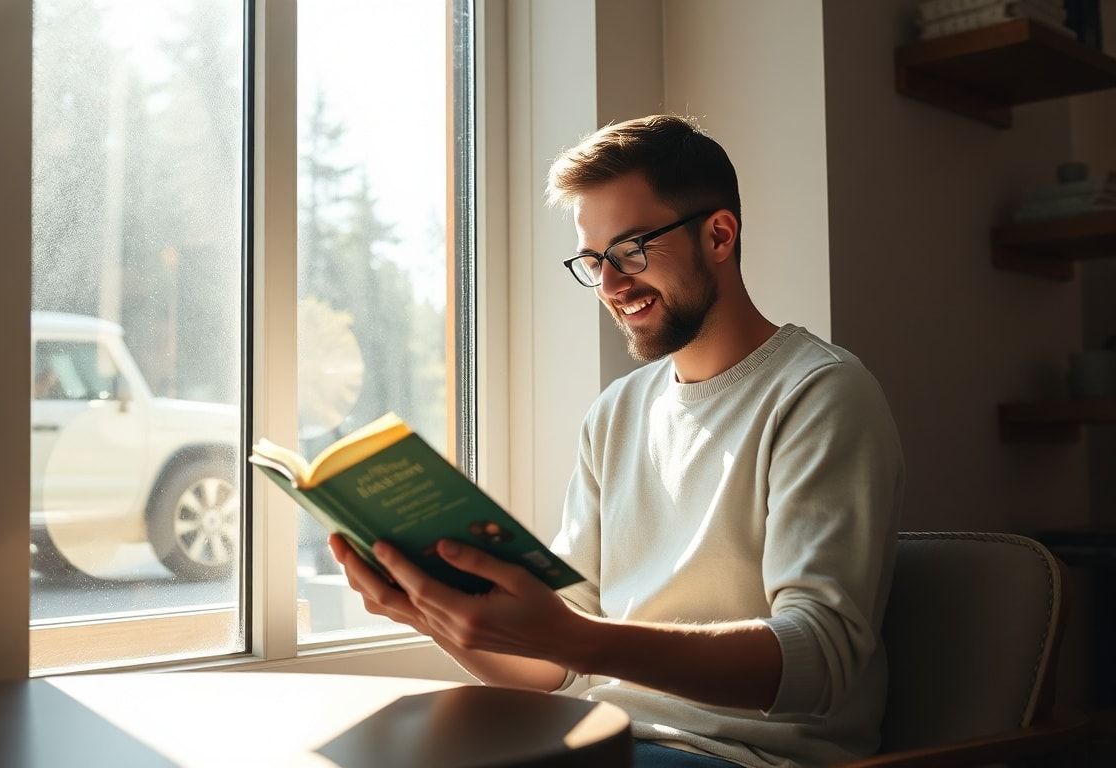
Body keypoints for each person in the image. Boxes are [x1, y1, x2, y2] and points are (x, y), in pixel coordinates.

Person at [329, 115, 904, 768]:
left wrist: (579, 639)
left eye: (631, 251)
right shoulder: (617, 414)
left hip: (742, 758)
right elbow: (559, 667)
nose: (608, 285)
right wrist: (430, 614)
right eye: (593, 260)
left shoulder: (820, 394)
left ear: (719, 235)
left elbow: (817, 659)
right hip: (608, 742)